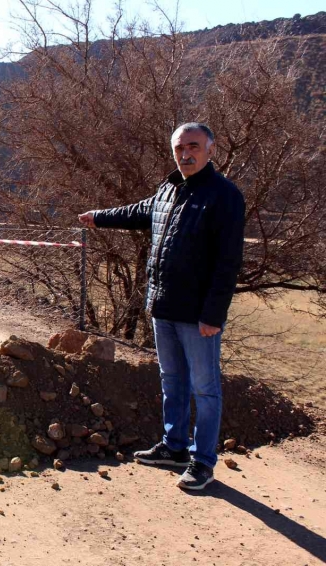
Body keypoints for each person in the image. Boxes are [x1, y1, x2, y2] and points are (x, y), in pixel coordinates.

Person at [78, 122, 245, 491]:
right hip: (163, 306)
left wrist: (213, 315)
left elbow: (228, 262)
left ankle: (203, 462)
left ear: (211, 150)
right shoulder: (169, 189)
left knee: (205, 388)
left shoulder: (224, 196)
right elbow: (139, 212)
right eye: (179, 148)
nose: (186, 154)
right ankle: (174, 448)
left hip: (198, 315)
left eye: (194, 146)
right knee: (172, 381)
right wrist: (98, 216)